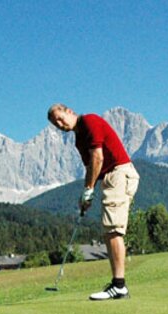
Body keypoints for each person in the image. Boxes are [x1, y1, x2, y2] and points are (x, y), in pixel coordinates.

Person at [47, 103, 140, 300]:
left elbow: (98, 158)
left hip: (119, 173)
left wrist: (89, 190)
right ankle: (117, 284)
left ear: (70, 111)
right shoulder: (78, 139)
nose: (60, 124)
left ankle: (119, 286)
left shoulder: (89, 121)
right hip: (109, 177)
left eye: (60, 118)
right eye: (56, 123)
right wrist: (86, 194)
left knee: (113, 229)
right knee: (109, 230)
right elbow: (92, 168)